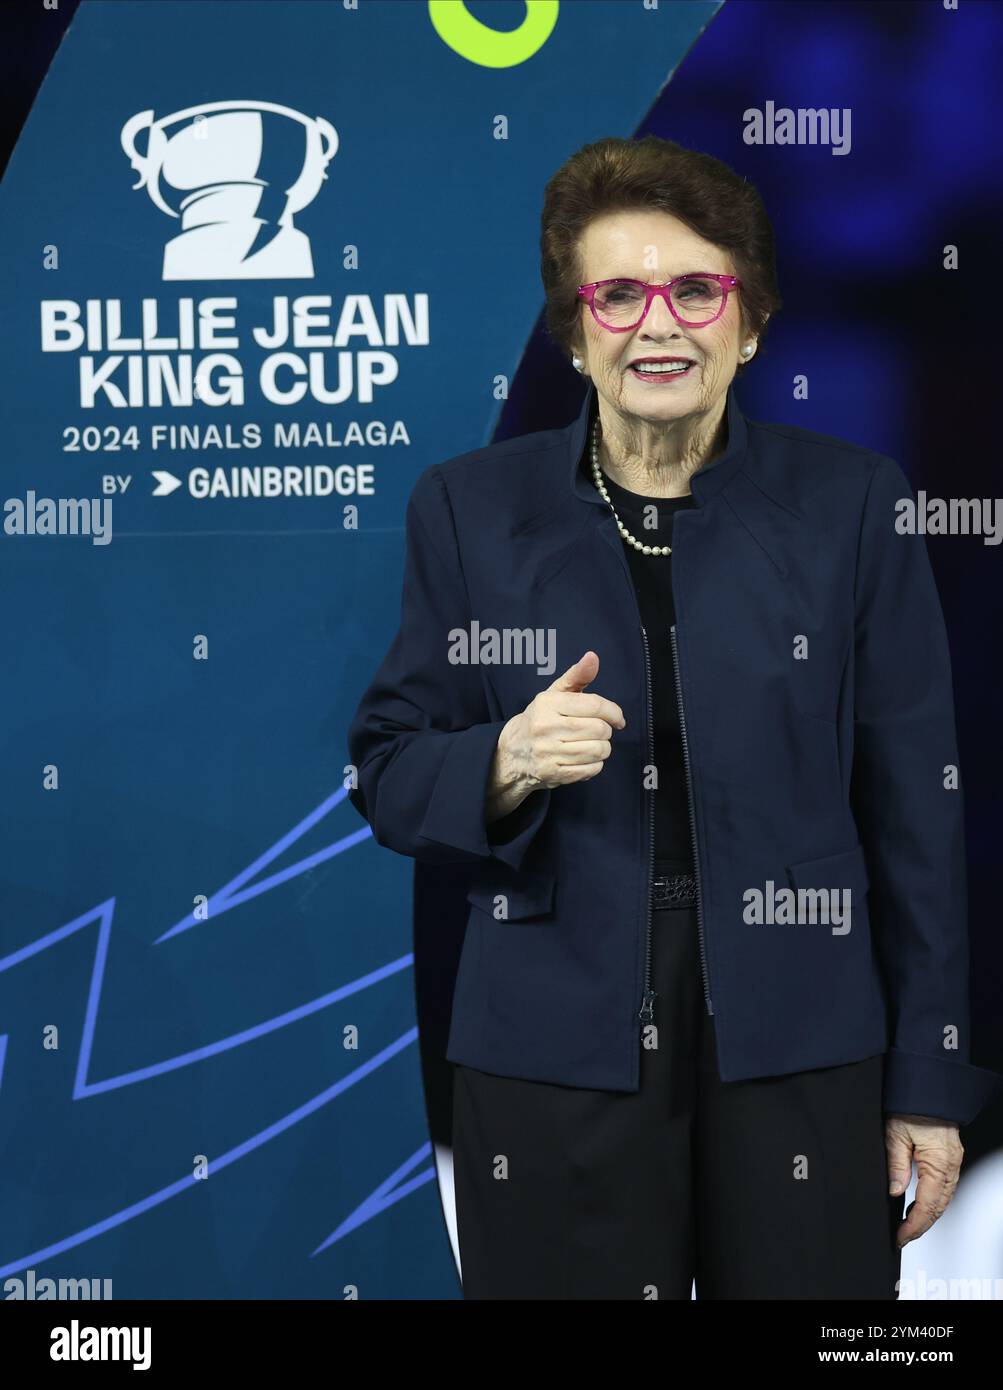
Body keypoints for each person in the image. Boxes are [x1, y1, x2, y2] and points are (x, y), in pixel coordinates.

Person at [347, 135, 1000, 1299]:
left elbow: (918, 818)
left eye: (697, 289)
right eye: (620, 294)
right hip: (553, 1052)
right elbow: (387, 771)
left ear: (748, 321)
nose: (660, 323)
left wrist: (928, 1083)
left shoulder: (852, 504)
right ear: (573, 330)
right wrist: (501, 759)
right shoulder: (468, 508)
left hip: (801, 1045)